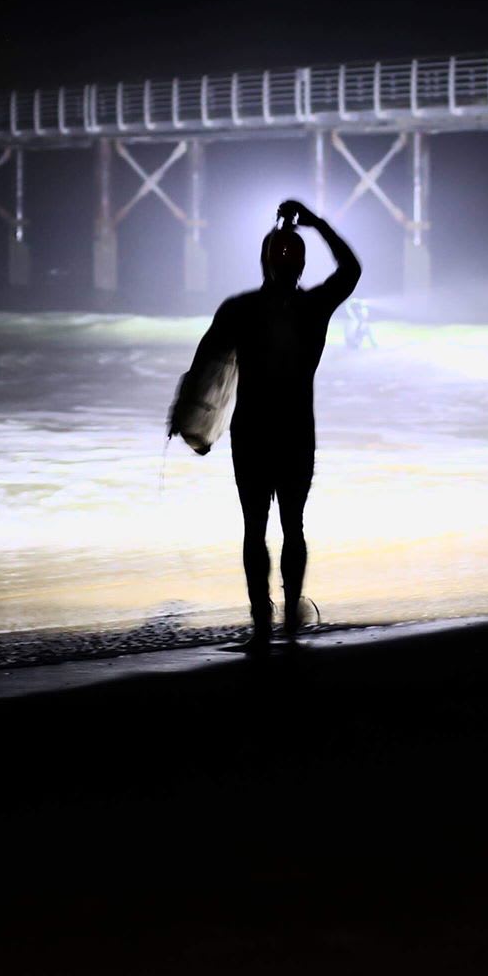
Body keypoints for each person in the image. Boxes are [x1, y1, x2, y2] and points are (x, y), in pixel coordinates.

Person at [171, 200, 360, 651]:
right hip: (296, 431)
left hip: (252, 432)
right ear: (302, 266)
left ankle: (261, 618)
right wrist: (316, 223)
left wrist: (184, 416)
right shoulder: (314, 307)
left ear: (262, 260)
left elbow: (203, 370)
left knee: (254, 528)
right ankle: (291, 614)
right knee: (293, 526)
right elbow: (350, 269)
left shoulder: (239, 310)